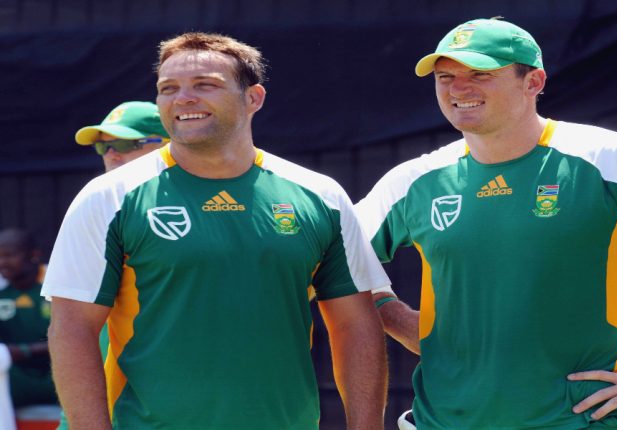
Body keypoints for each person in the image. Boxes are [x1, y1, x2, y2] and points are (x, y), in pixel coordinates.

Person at [355, 18, 617, 430]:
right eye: (445, 77)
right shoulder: (414, 180)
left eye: (480, 74)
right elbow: (335, 256)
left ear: (534, 82)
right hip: (441, 422)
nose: (458, 89)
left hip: (580, 422)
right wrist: (392, 312)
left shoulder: (615, 160)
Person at [43, 32, 389, 429]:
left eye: (204, 85)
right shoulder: (108, 197)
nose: (183, 98)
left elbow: (354, 324)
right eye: (168, 88)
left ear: (253, 98)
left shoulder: (321, 196)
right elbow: (71, 328)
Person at [56, 101, 169, 430]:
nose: (112, 154)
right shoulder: (97, 207)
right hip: (100, 411)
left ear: (169, 142)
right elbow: (69, 329)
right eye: (103, 146)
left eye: (126, 143)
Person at [0, 229, 57, 430]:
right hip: (14, 376)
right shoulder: (2, 291)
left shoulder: (57, 285)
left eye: (9, 255)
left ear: (34, 255)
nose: (2, 262)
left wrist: (24, 351)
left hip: (57, 372)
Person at [74, 101, 170, 172]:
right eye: (102, 146)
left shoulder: (178, 190)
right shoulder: (98, 191)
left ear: (167, 145)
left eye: (124, 144)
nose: (110, 156)